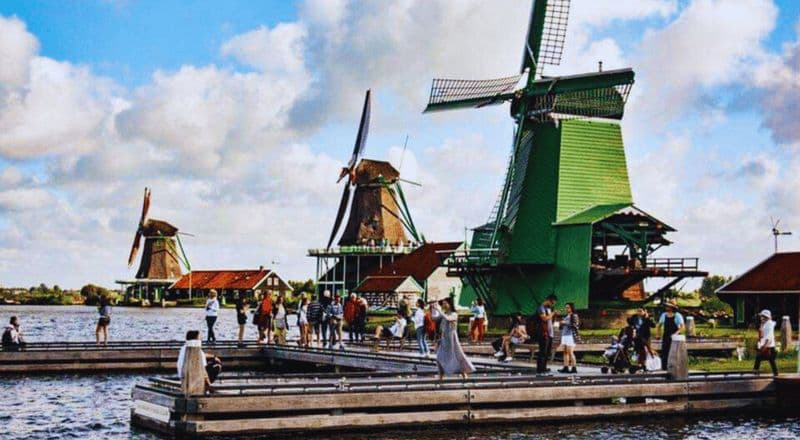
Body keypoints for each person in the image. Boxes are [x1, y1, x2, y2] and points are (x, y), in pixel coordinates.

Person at [432, 297, 475, 379]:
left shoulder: (454, 314)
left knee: (457, 356)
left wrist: (439, 310)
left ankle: (463, 373)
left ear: (450, 304)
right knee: (439, 357)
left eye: (445, 303)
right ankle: (440, 376)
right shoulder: (444, 313)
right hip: (444, 338)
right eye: (443, 303)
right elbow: (434, 318)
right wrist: (434, 309)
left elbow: (448, 319)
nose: (443, 305)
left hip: (452, 338)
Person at [533, 294, 558, 374]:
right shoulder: (541, 308)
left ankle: (544, 367)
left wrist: (555, 316)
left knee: (547, 352)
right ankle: (539, 369)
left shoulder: (549, 308)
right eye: (552, 303)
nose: (552, 304)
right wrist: (553, 313)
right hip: (543, 332)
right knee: (542, 351)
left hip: (549, 332)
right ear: (548, 300)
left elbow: (551, 321)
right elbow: (544, 318)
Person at [656, 301, 685, 370]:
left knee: (674, 353)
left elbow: (682, 326)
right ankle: (664, 368)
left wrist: (676, 333)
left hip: (675, 337)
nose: (666, 307)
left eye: (668, 306)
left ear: (672, 307)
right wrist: (658, 334)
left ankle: (675, 367)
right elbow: (658, 325)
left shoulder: (677, 315)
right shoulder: (664, 315)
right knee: (665, 352)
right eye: (666, 306)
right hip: (666, 335)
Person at [753, 309, 778, 376]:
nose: (761, 318)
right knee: (763, 358)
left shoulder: (769, 325)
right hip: (765, 346)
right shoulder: (765, 324)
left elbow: (768, 338)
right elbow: (761, 335)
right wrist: (761, 325)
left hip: (768, 347)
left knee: (765, 359)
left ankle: (755, 371)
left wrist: (764, 347)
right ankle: (756, 371)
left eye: (762, 316)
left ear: (766, 317)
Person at [558, 302, 580, 374]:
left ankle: (574, 368)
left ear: (571, 308)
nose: (566, 309)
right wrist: (561, 323)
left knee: (570, 352)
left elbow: (576, 325)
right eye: (566, 307)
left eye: (568, 307)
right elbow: (562, 326)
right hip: (564, 335)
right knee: (565, 352)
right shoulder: (566, 316)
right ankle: (565, 367)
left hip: (570, 336)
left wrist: (565, 323)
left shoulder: (574, 315)